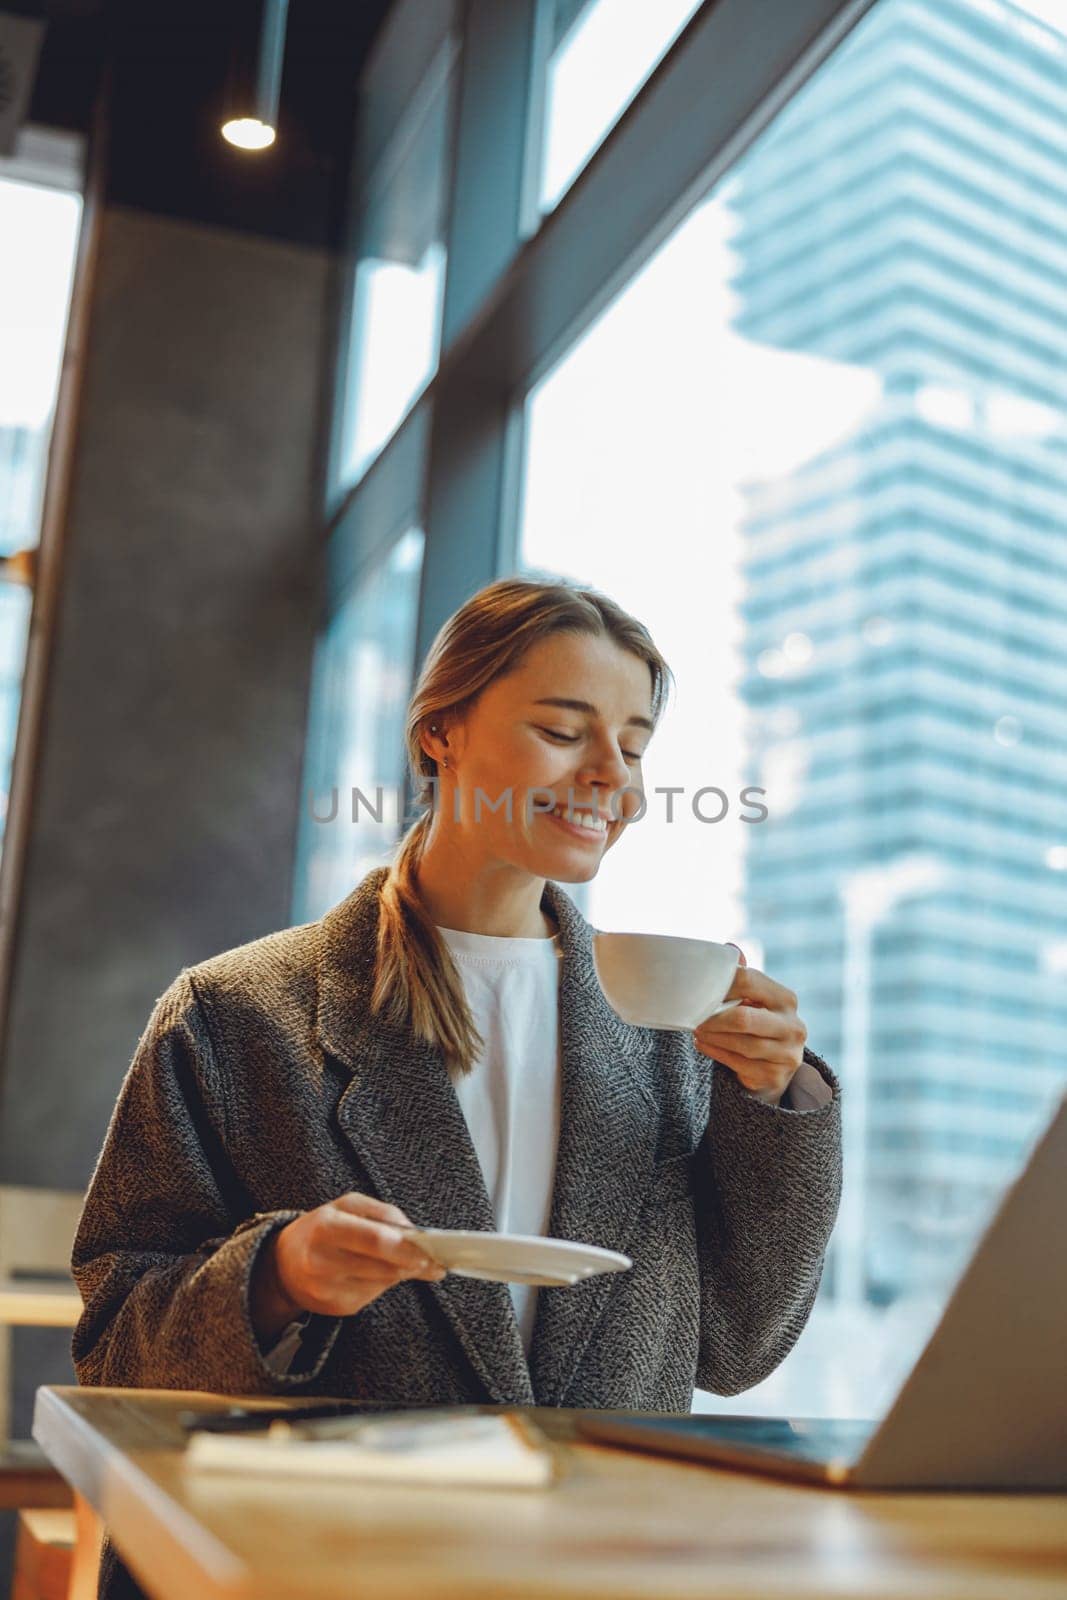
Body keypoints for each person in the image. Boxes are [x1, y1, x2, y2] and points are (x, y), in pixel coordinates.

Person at [71, 577, 842, 1600]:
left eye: (634, 744)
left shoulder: (662, 1032)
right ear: (442, 733)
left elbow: (736, 1349)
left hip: (589, 1568)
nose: (609, 774)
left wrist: (776, 1105)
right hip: (303, 1566)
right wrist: (277, 1276)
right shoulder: (233, 1016)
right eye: (565, 730)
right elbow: (116, 1349)